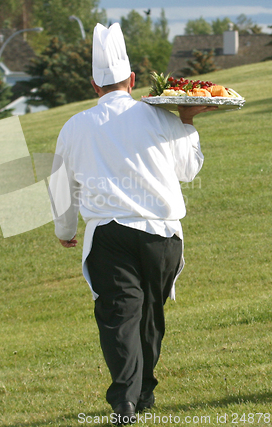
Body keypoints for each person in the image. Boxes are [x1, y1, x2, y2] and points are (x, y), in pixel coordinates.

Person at [50, 23, 214, 424]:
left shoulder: (74, 126)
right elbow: (189, 170)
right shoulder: (159, 114)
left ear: (94, 85)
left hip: (108, 234)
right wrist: (188, 120)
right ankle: (143, 392)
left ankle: (127, 398)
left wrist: (65, 231)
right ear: (133, 79)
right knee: (151, 315)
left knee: (119, 315)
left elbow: (61, 186)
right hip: (160, 233)